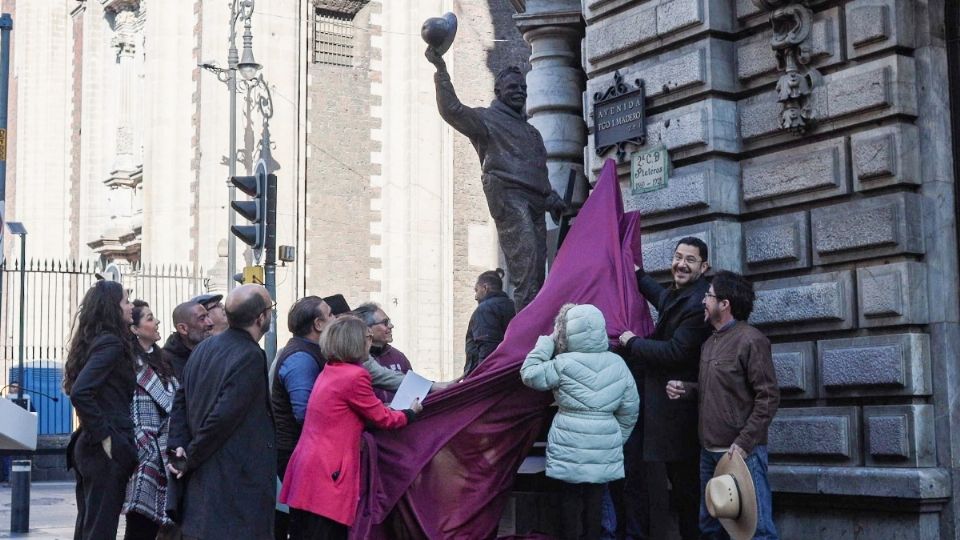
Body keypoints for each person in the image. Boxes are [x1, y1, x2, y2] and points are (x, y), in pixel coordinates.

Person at [425, 48, 566, 311]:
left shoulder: (532, 132)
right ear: (498, 92)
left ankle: (533, 330)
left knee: (537, 274)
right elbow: (452, 110)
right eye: (513, 87)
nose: (520, 91)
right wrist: (441, 70)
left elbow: (539, 172)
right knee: (527, 272)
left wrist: (551, 198)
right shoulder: (486, 119)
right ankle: (525, 340)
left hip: (536, 204)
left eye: (523, 87)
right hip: (510, 199)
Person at [279, 316, 422, 539]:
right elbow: (383, 419)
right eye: (367, 337)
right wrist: (410, 413)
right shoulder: (355, 376)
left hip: (309, 466)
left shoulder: (332, 369)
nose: (370, 342)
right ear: (355, 341)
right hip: (330, 470)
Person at [666, 271, 780, 540]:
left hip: (741, 453)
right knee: (710, 528)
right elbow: (717, 390)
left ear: (724, 304)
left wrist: (744, 442)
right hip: (708, 453)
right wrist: (687, 390)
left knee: (757, 531)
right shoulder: (709, 343)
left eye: (708, 296)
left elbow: (768, 397)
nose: (703, 301)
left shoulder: (751, 340)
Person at [616, 237, 712, 540]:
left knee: (686, 493)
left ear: (704, 266)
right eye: (678, 257)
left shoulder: (697, 305)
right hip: (666, 416)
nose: (681, 264)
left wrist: (632, 342)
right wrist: (636, 273)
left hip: (678, 417)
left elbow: (675, 352)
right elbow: (663, 298)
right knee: (682, 491)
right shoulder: (684, 294)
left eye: (690, 260)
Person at [520, 304, 640, 540]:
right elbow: (630, 409)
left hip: (568, 441)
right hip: (604, 443)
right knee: (596, 504)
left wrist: (547, 344)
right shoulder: (618, 365)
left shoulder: (563, 363)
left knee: (569, 504)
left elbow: (529, 373)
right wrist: (616, 438)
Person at [168, 284, 277, 540]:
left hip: (204, 489)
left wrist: (178, 445)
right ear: (261, 317)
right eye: (271, 309)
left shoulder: (204, 347)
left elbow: (180, 402)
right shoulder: (250, 355)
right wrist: (188, 455)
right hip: (235, 489)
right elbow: (223, 417)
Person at [64, 280, 139, 540]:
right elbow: (81, 392)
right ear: (112, 308)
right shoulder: (111, 344)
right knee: (100, 530)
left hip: (90, 447)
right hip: (102, 449)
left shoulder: (95, 341)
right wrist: (106, 437)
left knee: (89, 527)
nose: (131, 307)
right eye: (126, 301)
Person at [272, 296, 334, 540]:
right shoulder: (301, 359)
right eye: (330, 315)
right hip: (297, 453)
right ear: (318, 324)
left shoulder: (312, 353)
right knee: (310, 524)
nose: (335, 319)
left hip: (303, 452)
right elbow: (305, 413)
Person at [123, 300, 179, 539]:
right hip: (144, 452)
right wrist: (143, 446)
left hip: (164, 451)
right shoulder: (127, 363)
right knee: (140, 526)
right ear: (134, 329)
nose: (156, 322)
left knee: (155, 527)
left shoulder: (161, 360)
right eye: (149, 318)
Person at [352, 302, 412, 403]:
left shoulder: (399, 357)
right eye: (385, 323)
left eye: (389, 321)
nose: (391, 326)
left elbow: (413, 391)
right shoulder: (355, 359)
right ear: (367, 328)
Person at [464, 268, 516, 376]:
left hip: (487, 377)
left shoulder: (484, 310)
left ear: (485, 288)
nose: (475, 297)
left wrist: (479, 380)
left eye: (476, 290)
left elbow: (487, 350)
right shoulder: (513, 306)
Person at [162, 301, 214, 380]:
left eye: (208, 316)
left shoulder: (215, 351)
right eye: (202, 319)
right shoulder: (166, 363)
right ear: (183, 329)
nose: (210, 323)